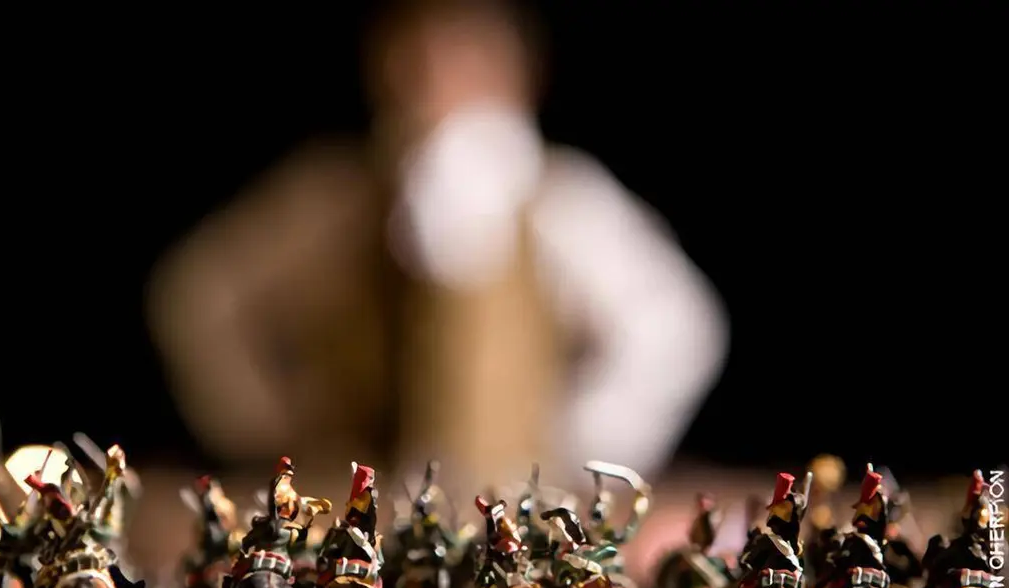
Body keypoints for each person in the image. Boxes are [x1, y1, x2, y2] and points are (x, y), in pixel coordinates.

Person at [147, 0, 729, 493]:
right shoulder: (335, 199)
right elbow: (199, 299)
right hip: (357, 505)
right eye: (417, 67)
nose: (435, 90)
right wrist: (273, 430)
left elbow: (674, 330)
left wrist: (580, 450)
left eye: (463, 67)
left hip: (510, 509)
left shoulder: (564, 202)